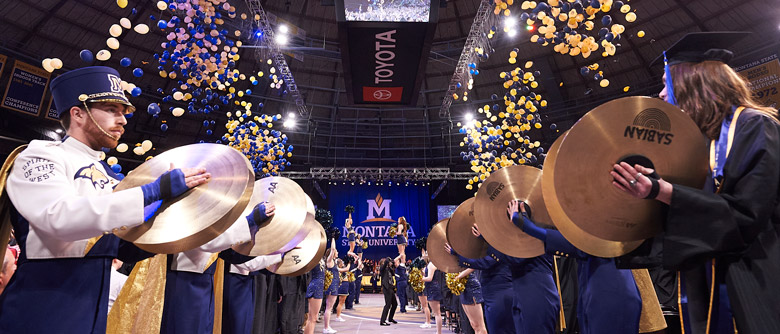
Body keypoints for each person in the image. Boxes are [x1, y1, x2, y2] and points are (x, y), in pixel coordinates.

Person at [0, 66, 211, 333]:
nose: (123, 120)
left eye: (123, 112)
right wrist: (153, 192)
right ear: (77, 113)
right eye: (112, 109)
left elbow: (117, 247)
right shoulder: (40, 156)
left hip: (93, 306)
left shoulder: (111, 177)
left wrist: (164, 215)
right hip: (43, 302)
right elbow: (58, 217)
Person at [611, 31, 780, 333]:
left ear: (692, 82)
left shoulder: (755, 126)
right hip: (704, 280)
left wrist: (663, 191)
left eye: (666, 84)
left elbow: (747, 215)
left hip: (755, 274)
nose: (662, 95)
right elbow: (682, 218)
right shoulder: (697, 143)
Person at [508, 200, 641, 333]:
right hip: (603, 290)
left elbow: (578, 244)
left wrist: (528, 227)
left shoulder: (603, 217)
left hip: (611, 294)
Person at [160, 203, 276, 334]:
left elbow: (233, 254)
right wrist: (249, 222)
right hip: (183, 282)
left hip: (205, 282)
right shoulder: (185, 207)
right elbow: (208, 240)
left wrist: (274, 249)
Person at [445, 239, 515, 334]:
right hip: (491, 293)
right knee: (480, 325)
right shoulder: (490, 244)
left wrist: (457, 254)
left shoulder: (500, 243)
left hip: (500, 293)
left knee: (496, 328)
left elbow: (483, 262)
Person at [221, 253, 284, 334]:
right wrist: (279, 256)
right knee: (235, 326)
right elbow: (245, 260)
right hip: (234, 276)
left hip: (246, 277)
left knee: (245, 325)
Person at [453, 268, 487, 334]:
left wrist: (459, 276)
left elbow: (474, 265)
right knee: (474, 324)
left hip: (471, 285)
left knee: (479, 325)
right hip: (463, 284)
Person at [422, 259, 444, 334]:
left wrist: (419, 279)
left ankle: (439, 332)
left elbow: (429, 278)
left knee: (437, 313)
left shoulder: (432, 264)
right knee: (437, 313)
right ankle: (438, 332)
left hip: (433, 289)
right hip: (432, 288)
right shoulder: (434, 263)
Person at [379, 256, 398, 326]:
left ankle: (390, 318)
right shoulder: (382, 269)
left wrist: (391, 263)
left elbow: (393, 273)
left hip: (391, 288)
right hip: (387, 288)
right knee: (387, 305)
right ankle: (382, 321)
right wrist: (387, 260)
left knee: (395, 304)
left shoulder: (388, 269)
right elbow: (384, 265)